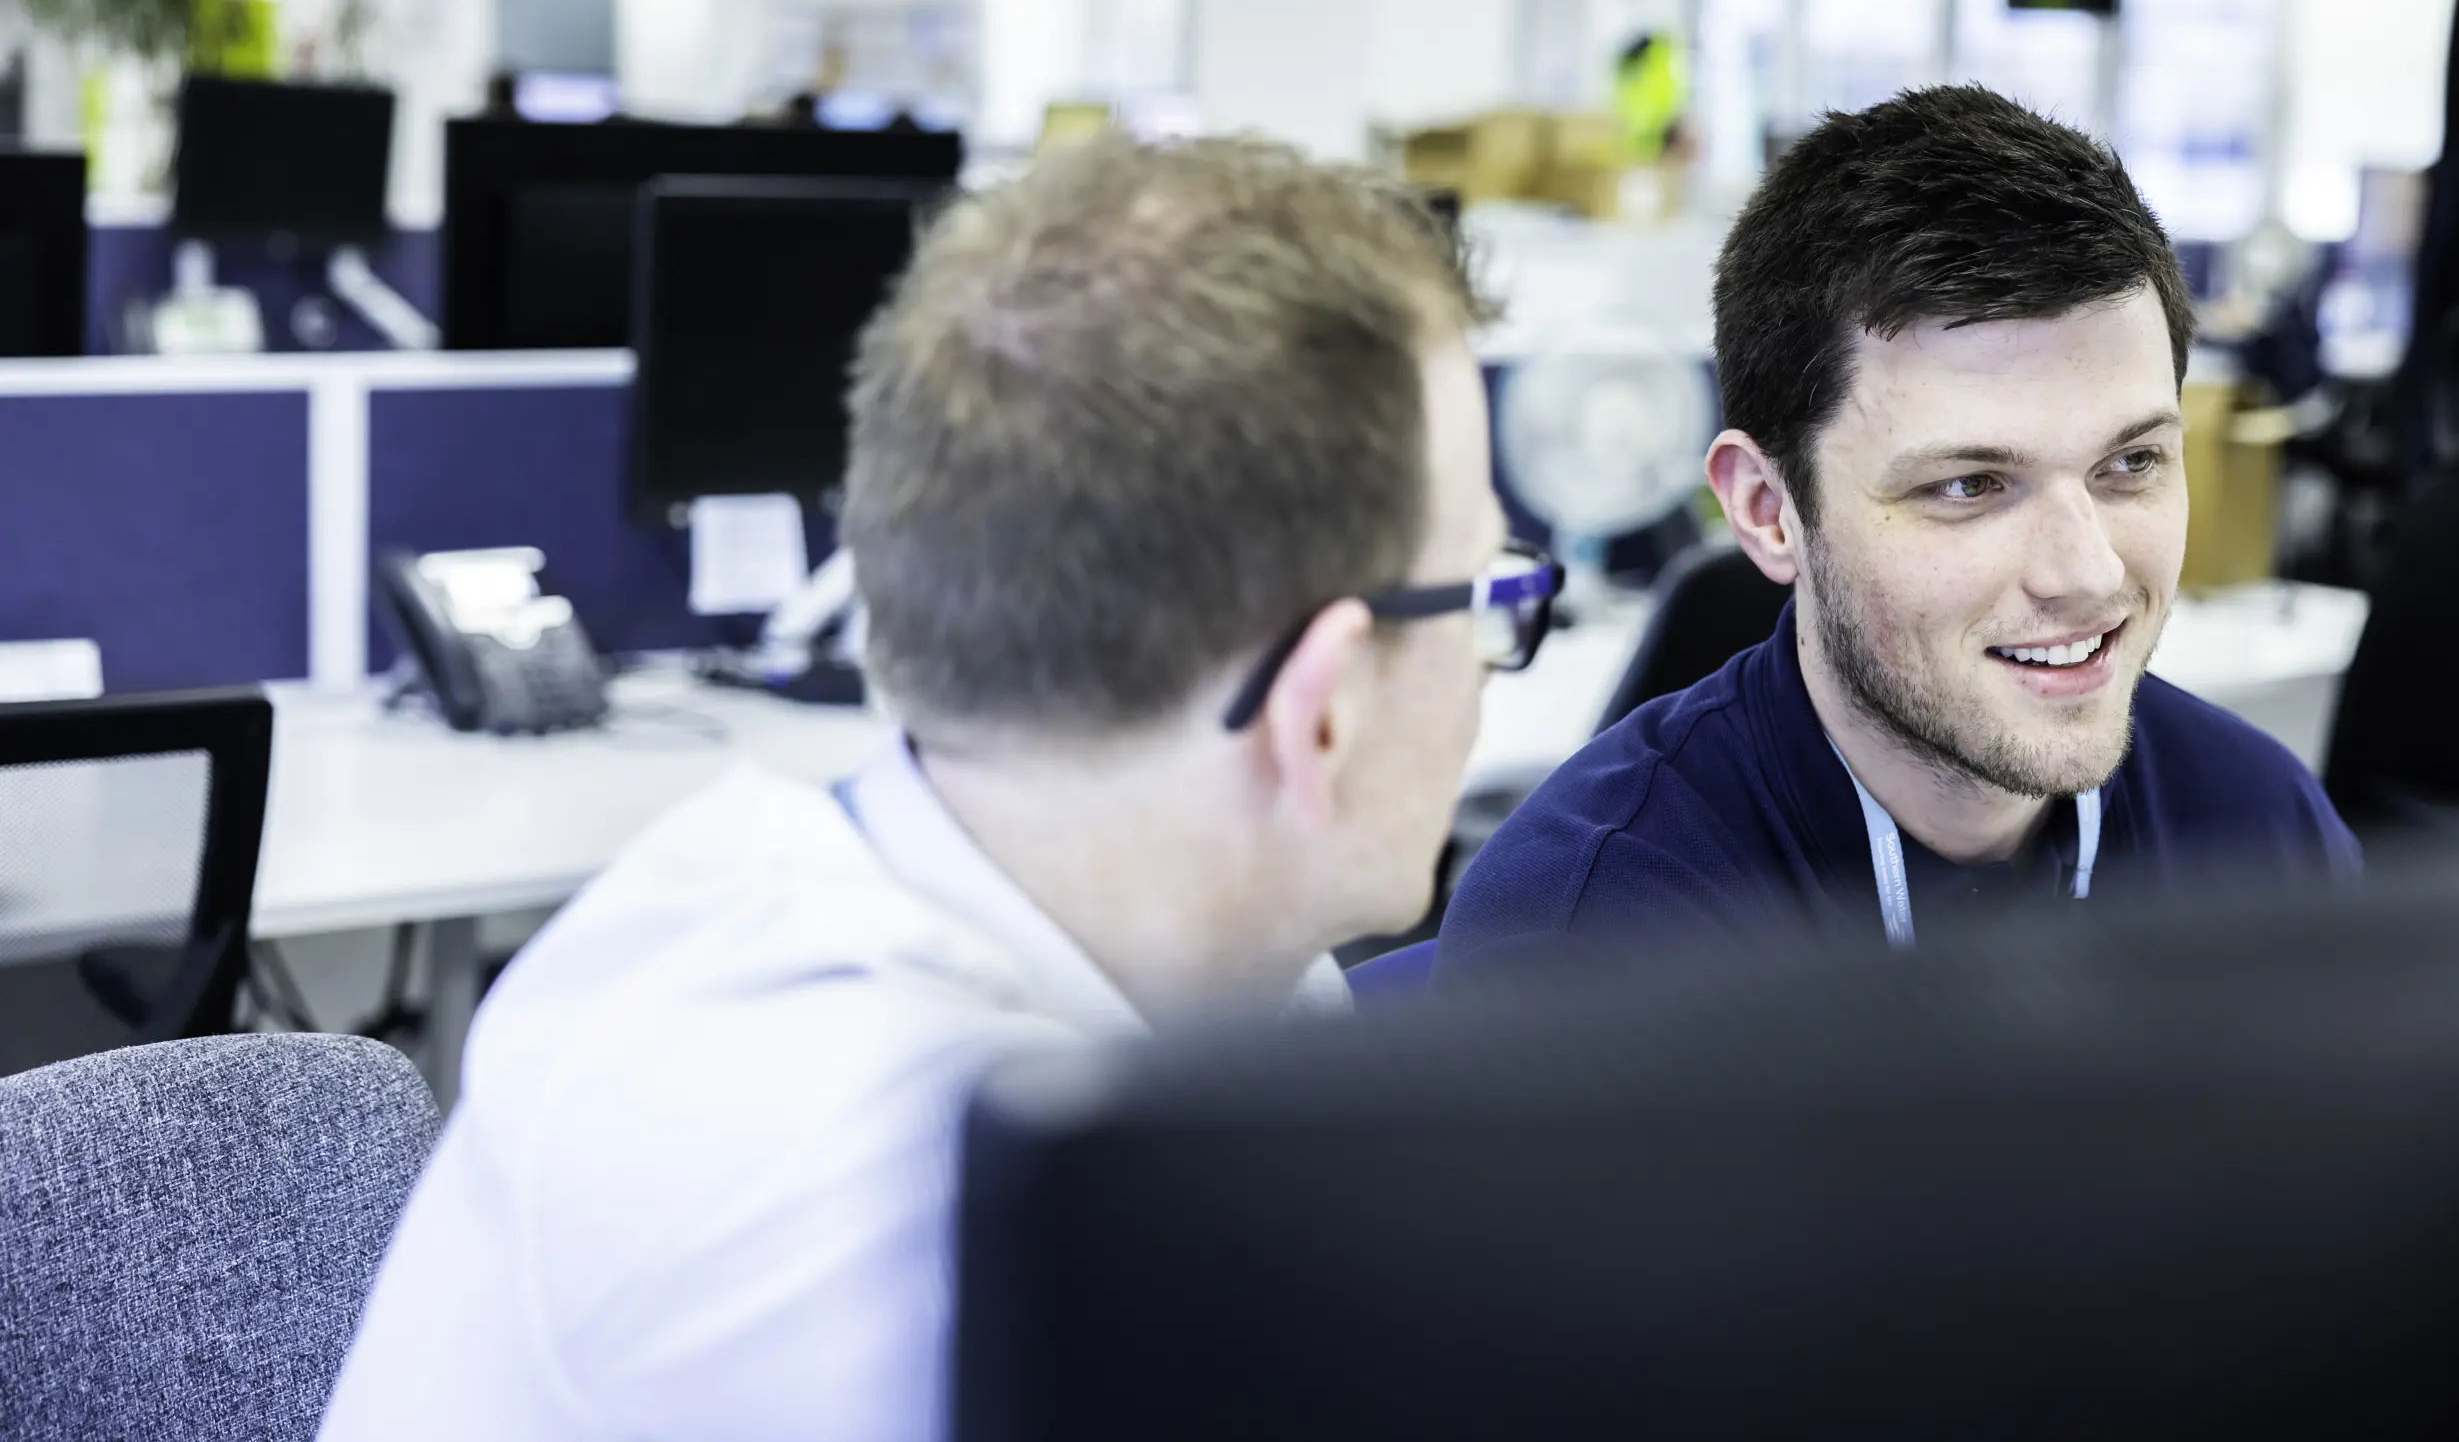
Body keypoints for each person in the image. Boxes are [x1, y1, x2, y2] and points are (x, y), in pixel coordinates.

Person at [319, 136, 1550, 1441]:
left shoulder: (1222, 969)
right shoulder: (877, 1196)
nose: (1488, 669)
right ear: (1324, 709)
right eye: (1484, 598)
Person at [1438, 86, 2358, 973]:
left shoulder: (2262, 829)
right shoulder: (1587, 944)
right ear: (1767, 510)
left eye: (2132, 464)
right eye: (1969, 485)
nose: (2086, 571)